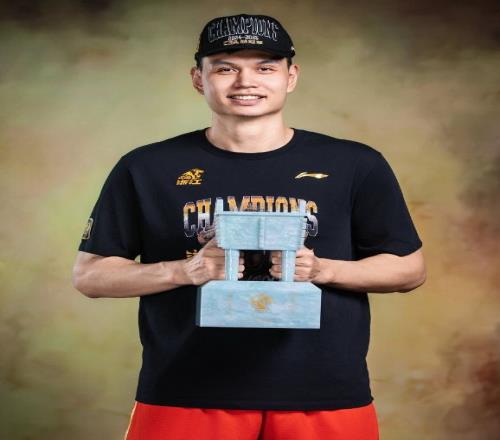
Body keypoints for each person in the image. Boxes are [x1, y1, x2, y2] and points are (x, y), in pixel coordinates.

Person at [72, 13, 426, 440]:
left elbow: (409, 269)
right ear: (199, 78)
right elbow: (90, 276)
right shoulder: (146, 166)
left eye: (265, 67)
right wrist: (185, 270)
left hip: (324, 392)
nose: (246, 82)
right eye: (225, 68)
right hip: (185, 390)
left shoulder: (355, 164)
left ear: (290, 77)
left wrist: (323, 269)